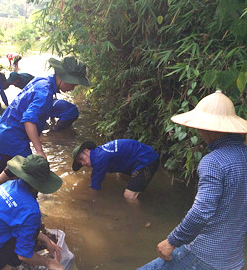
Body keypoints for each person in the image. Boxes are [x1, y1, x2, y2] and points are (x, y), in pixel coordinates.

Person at [138, 90, 247, 270]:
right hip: (233, 261)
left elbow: (202, 210)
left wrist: (171, 241)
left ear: (208, 128)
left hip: (204, 256)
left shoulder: (213, 162)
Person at [0, 56, 90, 193]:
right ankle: (26, 202)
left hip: (5, 130)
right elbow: (29, 120)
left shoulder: (42, 80)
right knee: (35, 171)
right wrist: (40, 151)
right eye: (74, 83)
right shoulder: (45, 92)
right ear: (64, 78)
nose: (73, 88)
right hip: (14, 135)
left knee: (22, 163)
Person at [0, 155, 64, 270]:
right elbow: (23, 255)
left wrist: (46, 239)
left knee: (24, 231)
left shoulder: (7, 185)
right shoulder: (31, 210)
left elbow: (18, 223)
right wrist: (48, 263)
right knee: (24, 243)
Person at [72, 139, 159, 199]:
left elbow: (94, 189)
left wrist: (88, 201)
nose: (83, 163)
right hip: (144, 154)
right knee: (120, 176)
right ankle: (139, 190)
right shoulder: (100, 151)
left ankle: (138, 219)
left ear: (87, 150)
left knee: (128, 196)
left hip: (147, 160)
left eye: (81, 158)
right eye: (80, 163)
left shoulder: (98, 160)